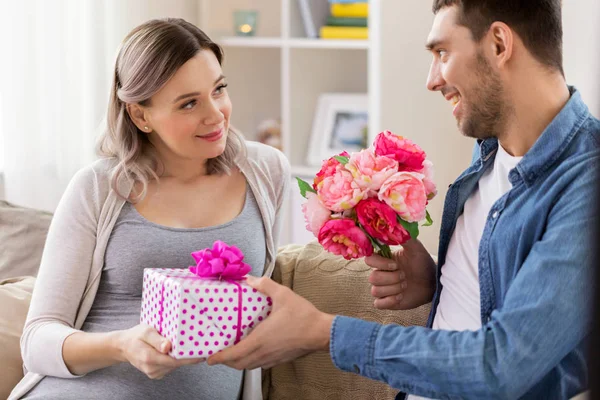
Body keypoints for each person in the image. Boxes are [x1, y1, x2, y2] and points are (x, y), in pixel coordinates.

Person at [208, 1, 600, 399]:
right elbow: (493, 297)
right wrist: (436, 283)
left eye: (442, 52)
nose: (432, 80)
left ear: (499, 43)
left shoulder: (586, 181)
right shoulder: (492, 151)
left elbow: (501, 366)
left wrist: (323, 332)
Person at [9, 18, 289, 400]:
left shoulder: (265, 171)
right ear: (141, 116)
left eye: (219, 89)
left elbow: (269, 296)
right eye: (188, 103)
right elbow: (37, 340)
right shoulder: (98, 187)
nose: (215, 114)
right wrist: (122, 345)